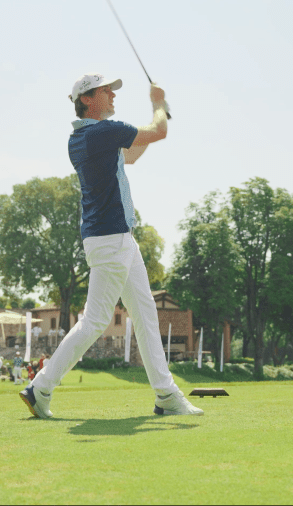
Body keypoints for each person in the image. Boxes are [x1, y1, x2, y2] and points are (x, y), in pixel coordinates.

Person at [20, 73, 203, 419]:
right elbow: (158, 131)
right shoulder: (103, 132)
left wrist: (156, 118)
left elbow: (131, 155)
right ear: (87, 99)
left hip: (118, 239)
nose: (113, 96)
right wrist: (158, 104)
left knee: (145, 314)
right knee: (95, 321)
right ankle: (40, 387)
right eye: (107, 91)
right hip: (111, 239)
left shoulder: (84, 137)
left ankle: (166, 394)